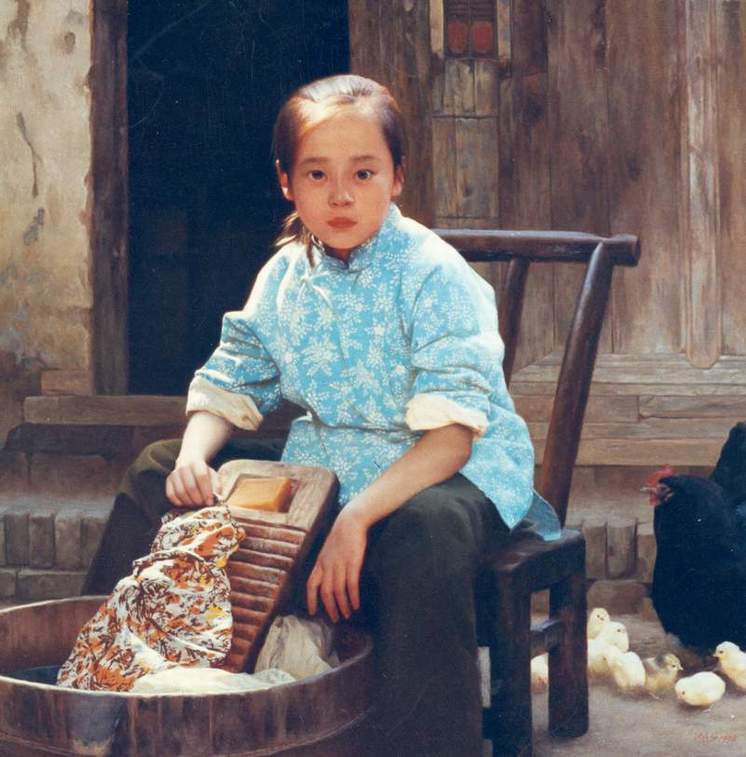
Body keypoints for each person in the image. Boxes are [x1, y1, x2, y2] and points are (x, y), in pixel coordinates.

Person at [84, 74, 561, 757]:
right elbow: (233, 377)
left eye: (363, 173)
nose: (341, 195)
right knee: (157, 470)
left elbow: (452, 437)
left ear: (396, 177)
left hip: (445, 472)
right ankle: (99, 693)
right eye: (317, 174)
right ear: (287, 182)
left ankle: (420, 743)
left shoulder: (434, 273)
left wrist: (355, 517)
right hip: (329, 465)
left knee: (422, 529)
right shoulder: (286, 273)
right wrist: (193, 455)